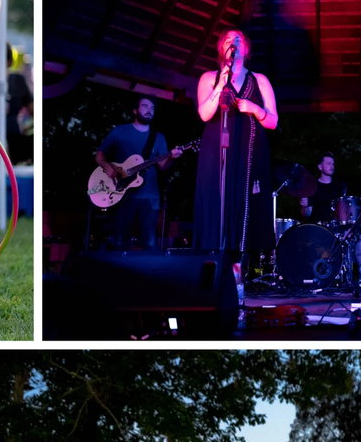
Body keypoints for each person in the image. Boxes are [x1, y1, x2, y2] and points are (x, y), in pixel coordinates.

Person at [193, 29, 277, 273]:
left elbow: (272, 121)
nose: (234, 43)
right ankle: (214, 267)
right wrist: (220, 84)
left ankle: (242, 271)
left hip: (249, 150)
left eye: (239, 39)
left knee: (246, 202)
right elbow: (204, 114)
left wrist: (254, 108)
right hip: (216, 149)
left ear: (246, 49)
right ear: (222, 48)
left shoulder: (259, 80)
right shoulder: (209, 77)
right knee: (216, 199)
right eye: (229, 40)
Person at [95, 96, 184, 250]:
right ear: (135, 110)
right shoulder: (120, 131)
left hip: (150, 195)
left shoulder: (159, 137)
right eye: (145, 106)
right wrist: (107, 166)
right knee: (121, 241)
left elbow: (163, 166)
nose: (149, 111)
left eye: (152, 108)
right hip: (122, 193)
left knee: (150, 242)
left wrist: (172, 157)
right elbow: (100, 155)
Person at [298, 152, 346, 223]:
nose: (332, 166)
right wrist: (305, 206)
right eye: (328, 164)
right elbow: (307, 215)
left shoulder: (340, 186)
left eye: (333, 164)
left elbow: (344, 211)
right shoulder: (312, 186)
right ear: (320, 167)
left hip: (335, 229)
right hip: (317, 228)